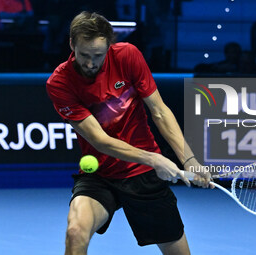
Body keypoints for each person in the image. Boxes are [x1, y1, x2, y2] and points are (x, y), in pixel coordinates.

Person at [46, 11, 210, 255]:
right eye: (84, 55)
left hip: (142, 175)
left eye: (98, 56)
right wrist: (155, 159)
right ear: (71, 44)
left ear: (109, 47)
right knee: (75, 232)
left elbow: (160, 112)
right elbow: (100, 140)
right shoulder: (59, 83)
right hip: (100, 174)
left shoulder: (128, 56)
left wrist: (190, 160)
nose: (90, 64)